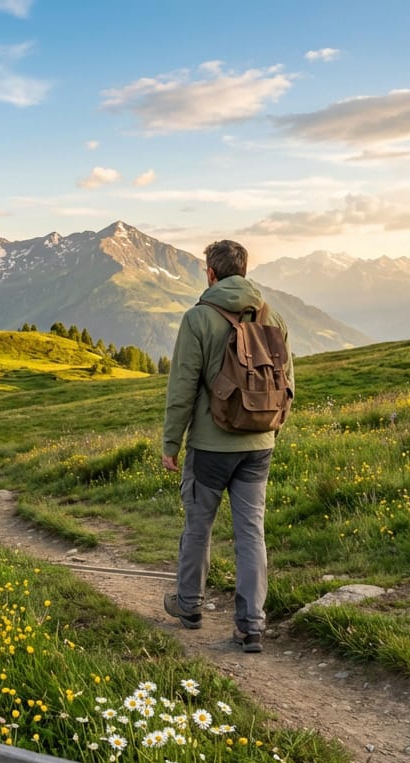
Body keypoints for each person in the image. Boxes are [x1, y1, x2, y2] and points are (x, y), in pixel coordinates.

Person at [161, 239, 294, 653]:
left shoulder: (199, 318)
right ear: (245, 269)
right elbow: (288, 381)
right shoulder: (274, 316)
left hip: (210, 446)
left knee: (198, 526)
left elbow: (182, 387)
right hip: (259, 445)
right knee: (251, 532)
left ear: (211, 273)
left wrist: (171, 442)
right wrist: (270, 430)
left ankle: (190, 606)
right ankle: (251, 625)